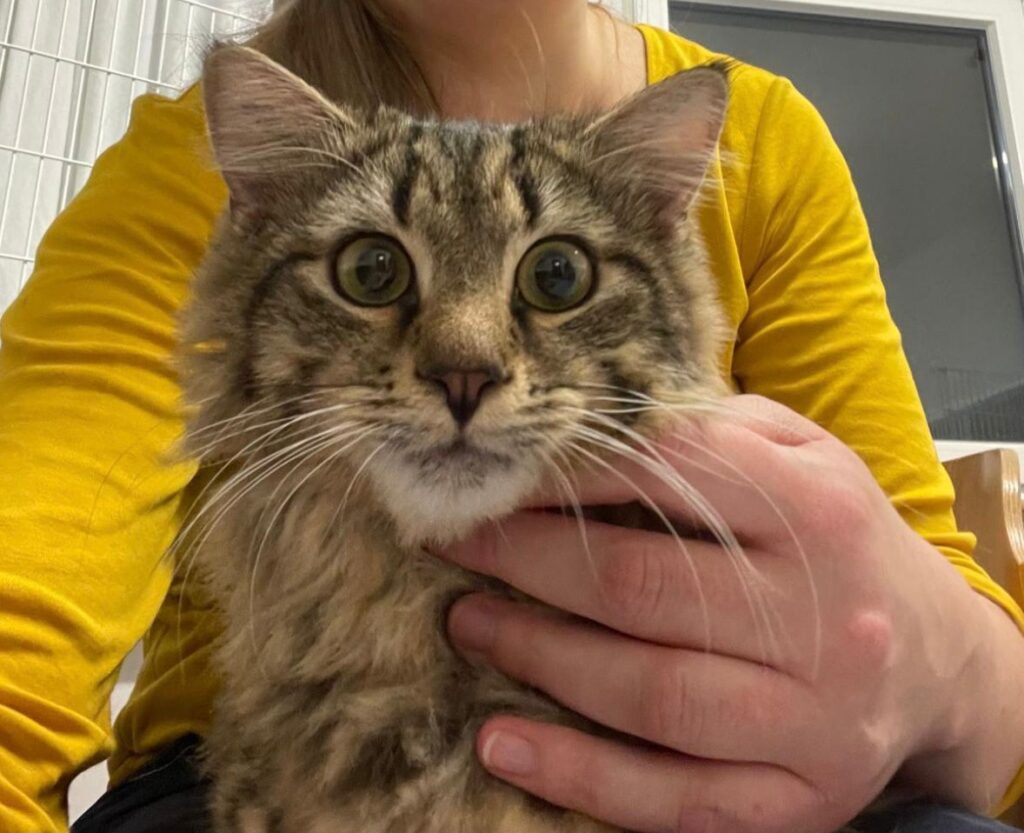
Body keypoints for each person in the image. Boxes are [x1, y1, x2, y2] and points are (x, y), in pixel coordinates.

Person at [0, 1, 1022, 832]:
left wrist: (926, 661)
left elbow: (990, 730)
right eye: (373, 271)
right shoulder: (188, 157)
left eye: (556, 276)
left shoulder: (771, 143)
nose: (465, 360)